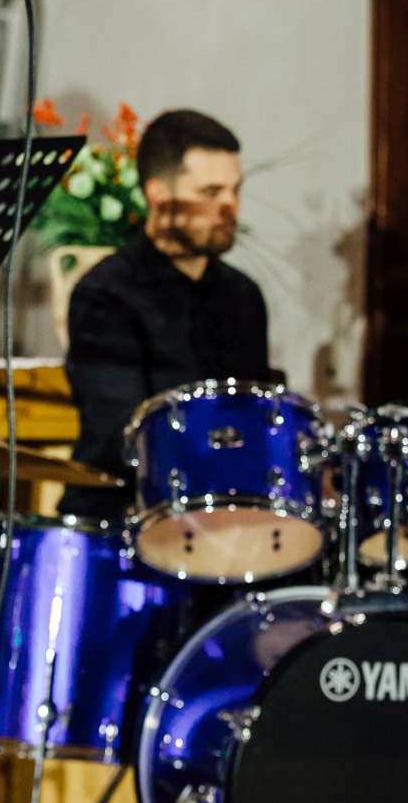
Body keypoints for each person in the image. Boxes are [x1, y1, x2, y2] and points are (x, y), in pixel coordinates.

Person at [60, 109, 269, 521]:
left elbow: (255, 417)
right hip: (122, 514)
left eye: (235, 190)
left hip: (223, 510)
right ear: (158, 195)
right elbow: (120, 433)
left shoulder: (243, 295)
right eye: (211, 192)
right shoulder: (105, 293)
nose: (230, 207)